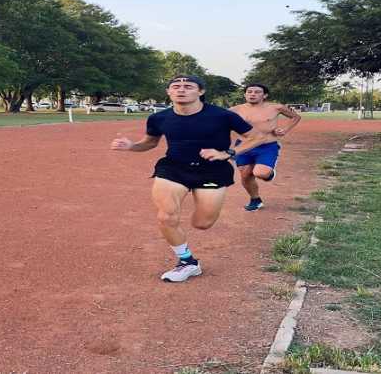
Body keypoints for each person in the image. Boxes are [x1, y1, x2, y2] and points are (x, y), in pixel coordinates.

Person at [110, 76, 268, 282]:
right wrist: (132, 146)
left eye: (188, 86)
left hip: (213, 170)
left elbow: (257, 137)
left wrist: (228, 153)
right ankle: (187, 262)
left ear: (200, 92)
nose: (181, 90)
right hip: (173, 168)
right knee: (166, 216)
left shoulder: (222, 115)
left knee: (202, 223)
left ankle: (194, 235)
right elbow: (149, 143)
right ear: (169, 92)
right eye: (176, 87)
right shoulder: (159, 118)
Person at [229, 84, 302, 211]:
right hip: (244, 146)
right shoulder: (235, 110)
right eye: (249, 92)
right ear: (245, 94)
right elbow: (217, 120)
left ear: (265, 95)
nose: (252, 94)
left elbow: (295, 117)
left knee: (260, 173)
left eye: (257, 92)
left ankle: (268, 174)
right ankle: (255, 200)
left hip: (267, 146)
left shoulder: (276, 107)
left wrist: (285, 130)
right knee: (246, 176)